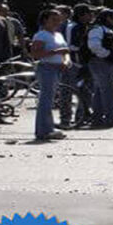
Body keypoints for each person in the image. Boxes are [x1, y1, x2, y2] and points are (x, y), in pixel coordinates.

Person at [29, 9, 71, 141]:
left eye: (59, 19)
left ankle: (49, 128)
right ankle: (43, 130)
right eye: (54, 19)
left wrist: (65, 61)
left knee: (50, 100)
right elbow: (35, 54)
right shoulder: (41, 35)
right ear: (45, 20)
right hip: (47, 68)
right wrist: (55, 52)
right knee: (45, 100)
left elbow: (65, 52)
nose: (57, 22)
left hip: (58, 69)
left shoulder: (58, 35)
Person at [85, 9, 113, 128]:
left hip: (105, 63)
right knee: (109, 92)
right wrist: (107, 55)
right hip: (101, 63)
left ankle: (97, 119)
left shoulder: (106, 30)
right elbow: (94, 46)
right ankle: (111, 118)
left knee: (100, 92)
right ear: (108, 18)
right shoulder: (97, 29)